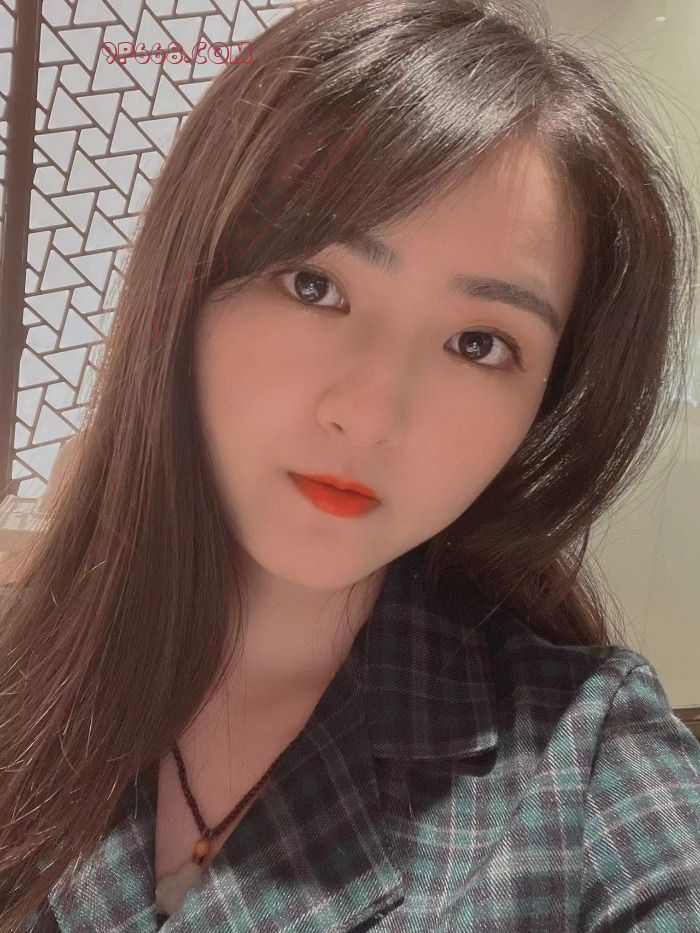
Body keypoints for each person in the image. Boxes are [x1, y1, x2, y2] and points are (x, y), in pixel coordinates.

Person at [2, 0, 699, 929]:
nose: (370, 415)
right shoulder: (31, 675)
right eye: (315, 285)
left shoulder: (588, 763)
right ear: (186, 286)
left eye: (479, 343)